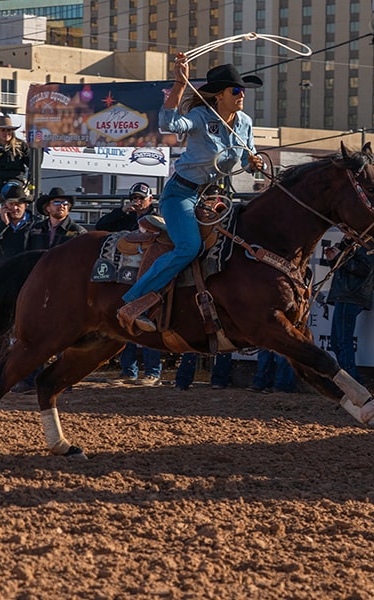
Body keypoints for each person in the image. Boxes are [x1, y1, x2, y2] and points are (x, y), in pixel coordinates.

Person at [117, 58, 264, 334]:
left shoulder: (244, 122)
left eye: (242, 90)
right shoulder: (201, 117)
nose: (241, 95)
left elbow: (247, 157)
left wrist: (256, 163)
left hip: (212, 198)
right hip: (180, 194)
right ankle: (134, 300)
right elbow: (169, 123)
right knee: (189, 247)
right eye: (235, 90)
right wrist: (180, 84)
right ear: (219, 96)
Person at [97, 181, 163, 386]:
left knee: (148, 320)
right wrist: (122, 211)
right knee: (126, 319)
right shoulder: (126, 217)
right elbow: (101, 226)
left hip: (148, 273)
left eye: (141, 198)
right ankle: (129, 371)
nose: (137, 202)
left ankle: (152, 372)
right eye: (134, 198)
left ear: (150, 199)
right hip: (127, 274)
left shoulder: (157, 219)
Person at [323, 236, 374, 383]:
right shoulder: (352, 243)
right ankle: (352, 381)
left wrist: (338, 257)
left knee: (341, 341)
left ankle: (351, 382)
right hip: (347, 296)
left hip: (350, 296)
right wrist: (333, 259)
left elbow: (362, 269)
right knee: (337, 341)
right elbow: (344, 267)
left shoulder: (368, 245)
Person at [0, 183, 36, 276]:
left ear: (25, 205)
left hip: (26, 276)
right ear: (5, 205)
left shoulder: (35, 223)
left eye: (18, 204)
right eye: (11, 204)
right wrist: (3, 224)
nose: (14, 208)